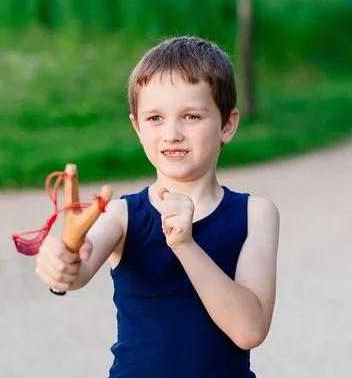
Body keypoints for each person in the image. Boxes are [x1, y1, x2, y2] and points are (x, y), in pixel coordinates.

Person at [34, 36, 280, 377]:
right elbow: (77, 267)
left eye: (191, 116)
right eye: (155, 119)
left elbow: (249, 331)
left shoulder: (255, 214)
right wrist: (60, 261)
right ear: (137, 127)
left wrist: (185, 245)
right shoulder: (122, 216)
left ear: (227, 124)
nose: (172, 133)